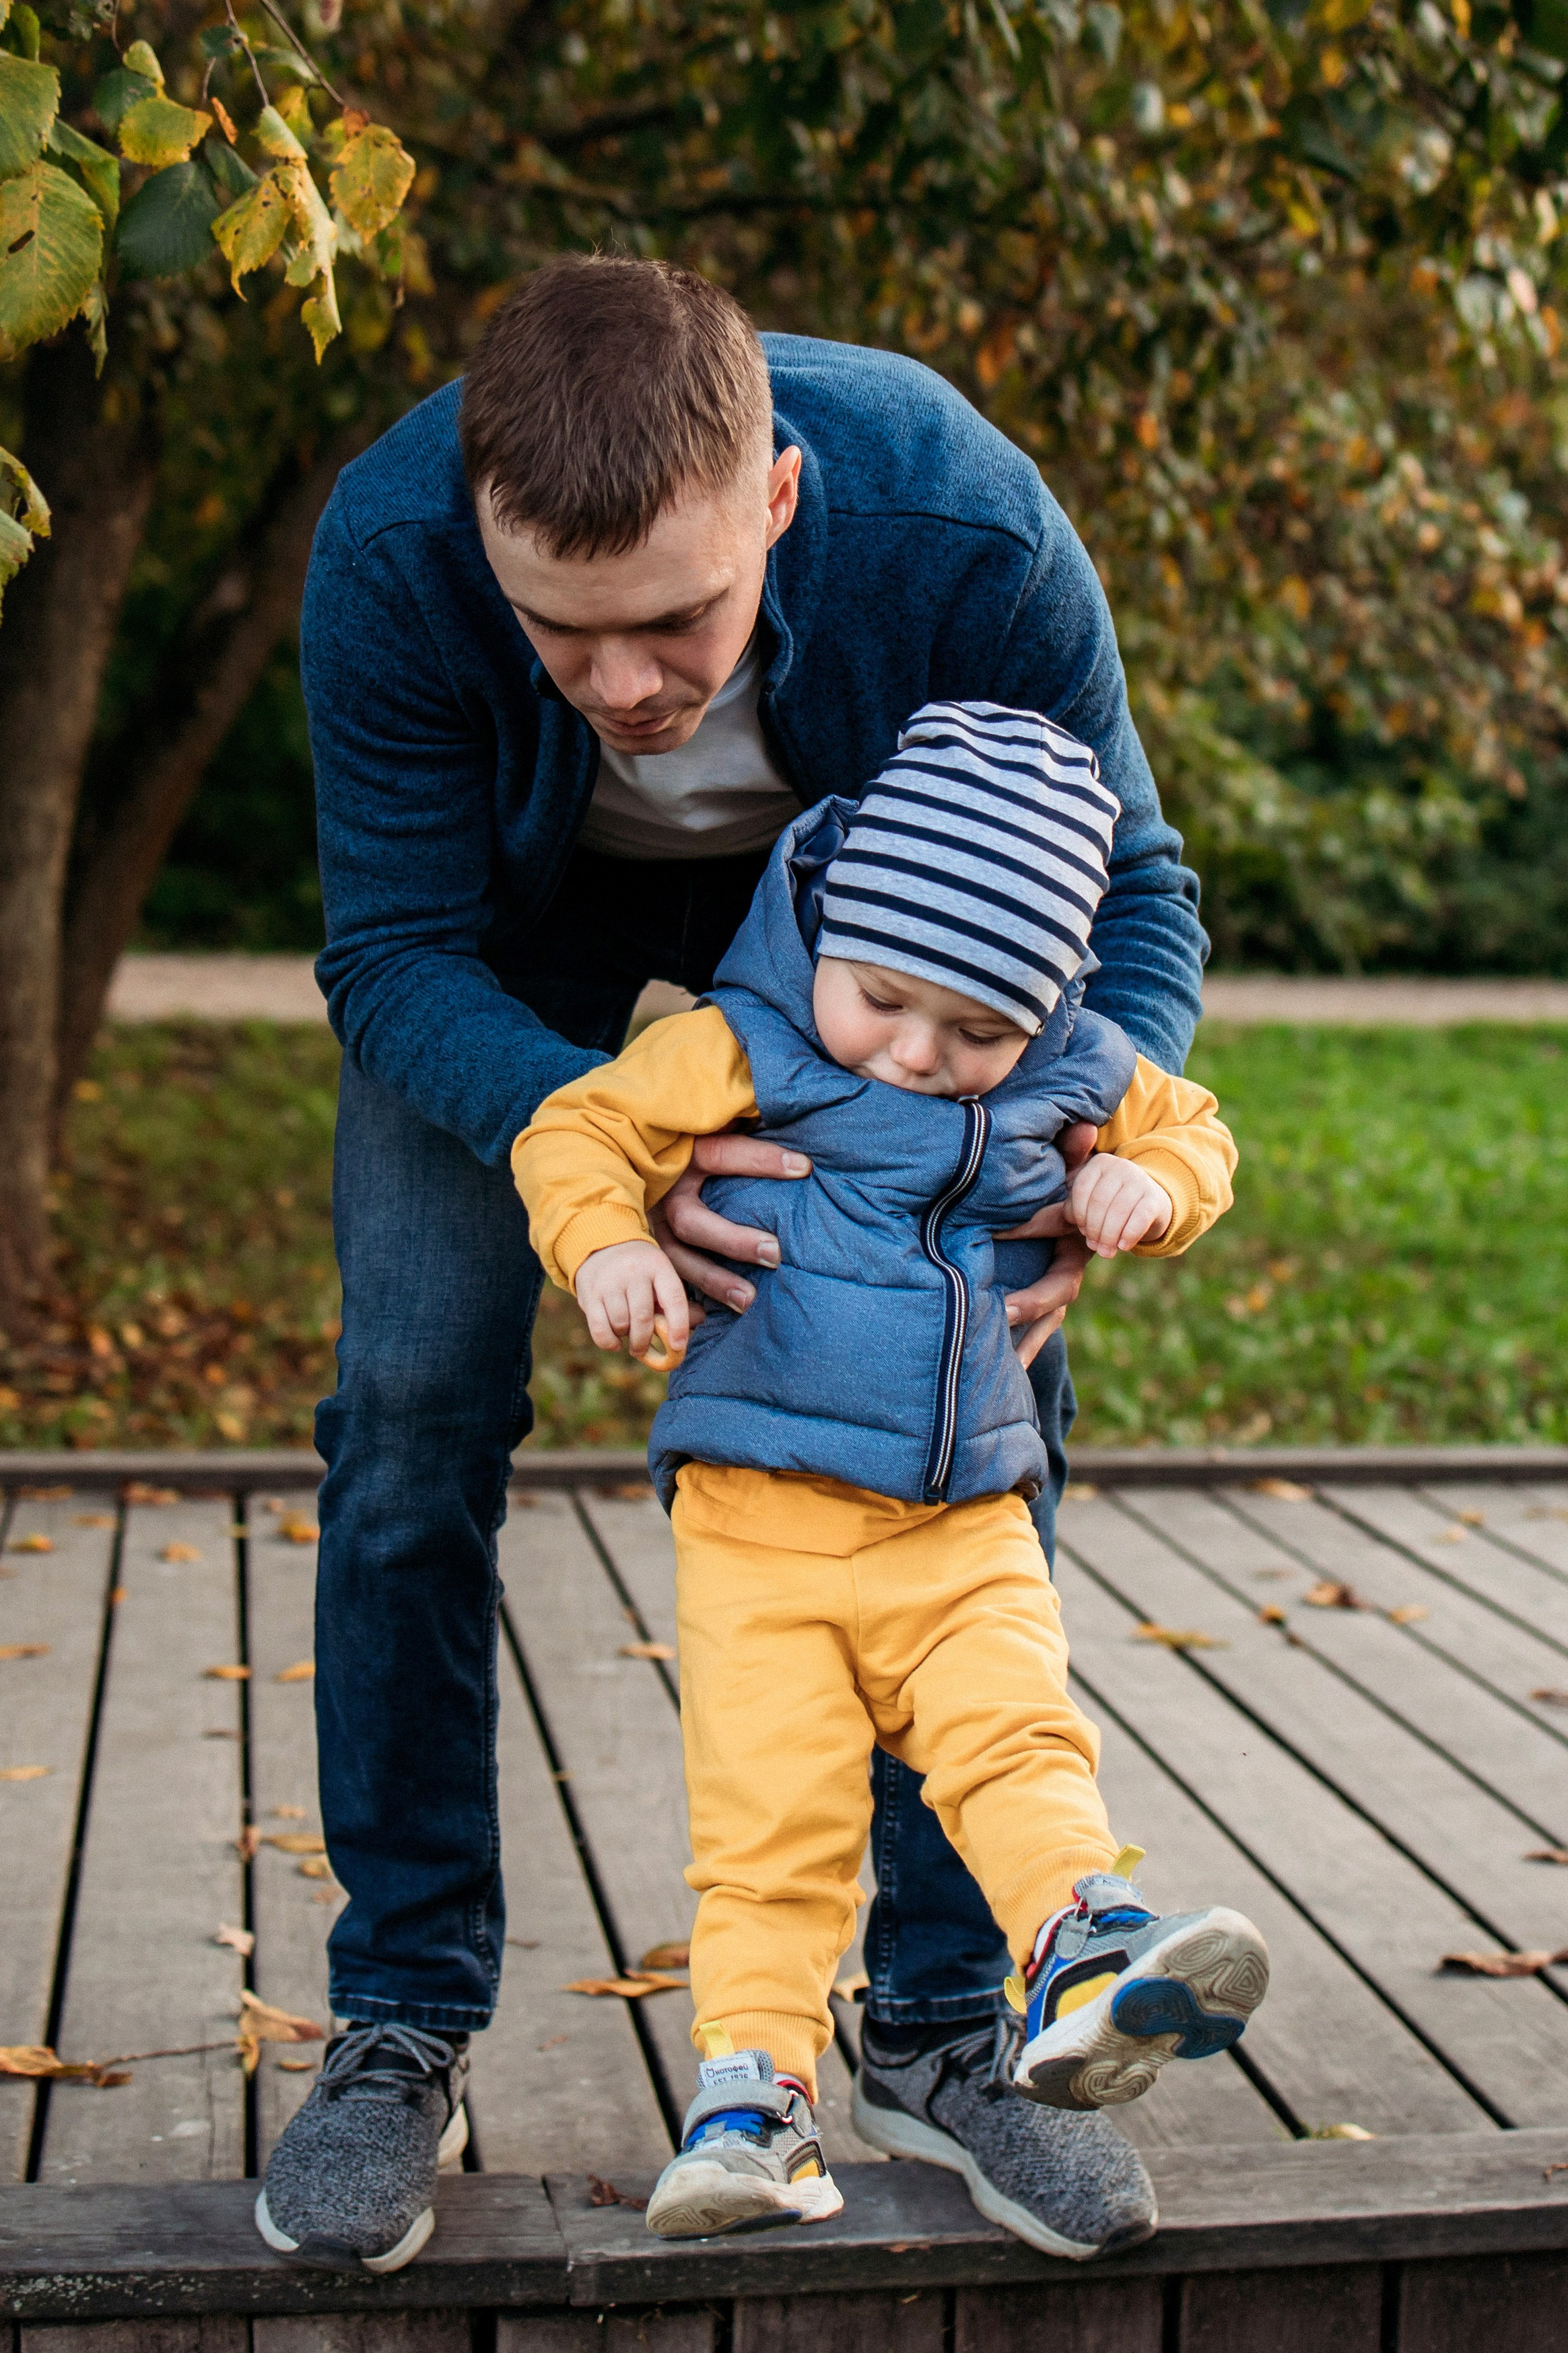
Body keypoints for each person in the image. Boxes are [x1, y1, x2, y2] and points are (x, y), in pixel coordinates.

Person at [257, 255, 1210, 2277]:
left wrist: (1071, 1158)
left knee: (985, 1385)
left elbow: (1130, 893)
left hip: (892, 968)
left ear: (777, 498)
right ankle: (401, 2014)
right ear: (485, 541)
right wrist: (609, 1151)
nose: (621, 685)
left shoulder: (957, 522)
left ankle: (943, 2023)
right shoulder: (394, 553)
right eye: (562, 631)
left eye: (676, 621)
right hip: (514, 960)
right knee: (412, 1397)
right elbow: (393, 953)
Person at [510, 700, 1266, 2242]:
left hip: (962, 1519)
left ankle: (1080, 1948)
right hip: (758, 1523)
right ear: (827, 935)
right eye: (881, 1000)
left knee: (1013, 1741)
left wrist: (1146, 1183)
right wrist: (603, 1248)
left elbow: (1195, 1132)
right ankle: (755, 2106)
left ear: (1042, 1007)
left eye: (976, 1032)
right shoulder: (740, 1046)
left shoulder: (1072, 1065)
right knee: (768, 1830)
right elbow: (573, 1131)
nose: (918, 1054)